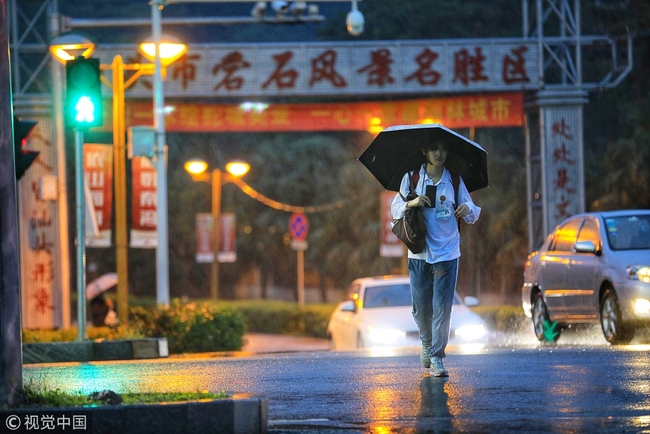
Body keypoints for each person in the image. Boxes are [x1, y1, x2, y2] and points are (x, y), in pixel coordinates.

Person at [391, 141, 481, 377]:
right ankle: (427, 345)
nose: (439, 153)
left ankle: (437, 357)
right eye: (433, 149)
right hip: (419, 252)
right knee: (421, 309)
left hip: (448, 252)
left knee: (442, 307)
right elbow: (395, 208)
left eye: (443, 148)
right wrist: (414, 201)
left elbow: (473, 209)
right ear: (425, 152)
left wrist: (466, 209)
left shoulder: (455, 180)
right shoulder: (412, 178)